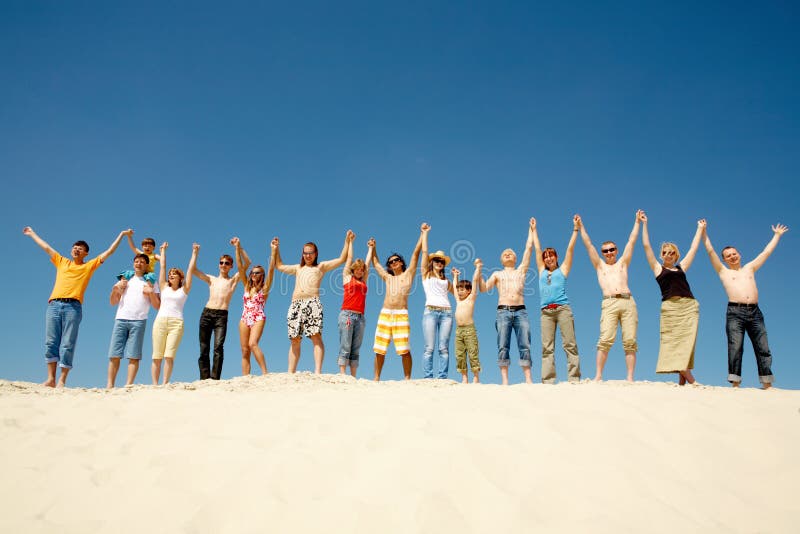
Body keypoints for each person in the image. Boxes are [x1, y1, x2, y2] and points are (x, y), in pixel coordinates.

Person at [24, 226, 131, 387]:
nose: (76, 249)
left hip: (73, 307)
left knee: (67, 343)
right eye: (74, 247)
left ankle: (62, 380)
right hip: (54, 305)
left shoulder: (88, 266)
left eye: (80, 248)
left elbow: (109, 252)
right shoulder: (62, 262)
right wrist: (32, 234)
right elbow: (46, 247)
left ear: (86, 253)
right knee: (51, 342)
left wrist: (122, 235)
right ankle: (51, 378)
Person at [703, 221, 789, 388]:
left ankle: (767, 383)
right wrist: (704, 231)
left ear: (739, 254)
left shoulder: (749, 268)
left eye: (734, 253)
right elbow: (710, 251)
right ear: (724, 260)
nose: (732, 256)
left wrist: (777, 235)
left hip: (755, 312)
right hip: (735, 312)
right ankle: (735, 383)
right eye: (728, 255)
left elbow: (766, 252)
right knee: (735, 347)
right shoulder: (723, 271)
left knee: (763, 347)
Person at [273, 231, 354, 374]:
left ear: (316, 253)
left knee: (316, 336)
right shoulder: (298, 268)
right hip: (296, 304)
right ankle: (290, 372)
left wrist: (347, 241)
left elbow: (341, 259)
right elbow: (278, 265)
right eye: (305, 253)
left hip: (313, 303)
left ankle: (317, 371)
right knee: (294, 339)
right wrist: (275, 249)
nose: (308, 255)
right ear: (302, 254)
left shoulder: (320, 267)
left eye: (310, 253)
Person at [576, 211, 642, 382]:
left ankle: (629, 377)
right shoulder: (599, 265)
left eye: (612, 249)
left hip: (627, 301)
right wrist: (580, 226)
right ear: (602, 253)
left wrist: (637, 222)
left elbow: (632, 241)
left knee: (630, 340)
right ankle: (598, 375)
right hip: (609, 303)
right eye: (606, 251)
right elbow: (588, 245)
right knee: (605, 339)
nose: (609, 253)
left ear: (616, 250)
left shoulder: (623, 263)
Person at [640, 213, 704, 385]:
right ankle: (690, 378)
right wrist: (644, 224)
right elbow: (646, 246)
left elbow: (693, 249)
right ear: (661, 254)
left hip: (689, 306)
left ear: (676, 255)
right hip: (670, 308)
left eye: (672, 253)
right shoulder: (657, 268)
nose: (668, 255)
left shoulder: (681, 268)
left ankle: (682, 381)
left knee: (687, 342)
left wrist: (700, 229)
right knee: (674, 342)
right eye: (665, 252)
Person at [481, 218, 536, 385]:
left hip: (521, 310)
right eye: (504, 253)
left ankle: (528, 379)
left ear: (515, 258)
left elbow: (529, 248)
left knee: (525, 344)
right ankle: (505, 380)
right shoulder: (497, 274)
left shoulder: (521, 271)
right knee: (503, 345)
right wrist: (478, 271)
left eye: (510, 252)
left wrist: (531, 229)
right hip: (503, 311)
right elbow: (483, 288)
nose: (507, 253)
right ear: (501, 259)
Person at [370, 225, 425, 381]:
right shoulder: (388, 278)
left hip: (401, 314)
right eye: (390, 262)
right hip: (385, 313)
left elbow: (416, 253)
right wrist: (374, 248)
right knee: (379, 349)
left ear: (401, 262)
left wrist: (422, 234)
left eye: (396, 260)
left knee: (404, 349)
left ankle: (407, 378)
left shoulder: (408, 275)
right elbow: (376, 263)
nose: (393, 263)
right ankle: (376, 378)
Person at [531, 216, 581, 384]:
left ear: (556, 257)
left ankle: (574, 378)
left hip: (562, 309)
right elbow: (537, 249)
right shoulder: (541, 271)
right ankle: (548, 380)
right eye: (546, 256)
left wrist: (575, 230)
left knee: (569, 343)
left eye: (551, 256)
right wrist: (534, 230)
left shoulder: (563, 269)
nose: (548, 258)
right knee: (547, 348)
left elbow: (570, 250)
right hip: (546, 312)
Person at [192, 238, 248, 380]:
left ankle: (215, 378)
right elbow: (193, 270)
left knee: (218, 347)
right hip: (206, 313)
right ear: (218, 265)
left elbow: (247, 263)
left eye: (227, 263)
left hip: (221, 316)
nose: (223, 265)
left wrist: (238, 247)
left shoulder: (233, 280)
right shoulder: (211, 279)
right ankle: (204, 379)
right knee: (204, 348)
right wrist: (195, 253)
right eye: (221, 262)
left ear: (231, 266)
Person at [107, 254, 161, 388]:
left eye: (142, 262)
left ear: (147, 265)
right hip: (121, 319)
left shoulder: (151, 282)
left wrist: (151, 293)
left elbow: (157, 306)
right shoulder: (125, 278)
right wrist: (116, 289)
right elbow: (113, 302)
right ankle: (110, 385)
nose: (139, 264)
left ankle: (128, 385)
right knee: (114, 354)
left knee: (134, 355)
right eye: (136, 261)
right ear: (133, 264)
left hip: (139, 321)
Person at [151, 242, 198, 385]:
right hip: (160, 322)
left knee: (169, 356)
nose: (171, 276)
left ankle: (165, 383)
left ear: (180, 278)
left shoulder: (184, 290)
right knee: (157, 356)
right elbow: (163, 266)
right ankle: (154, 385)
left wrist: (194, 253)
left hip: (176, 323)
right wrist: (163, 251)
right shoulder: (164, 286)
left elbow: (190, 270)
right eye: (170, 274)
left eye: (174, 274)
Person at [236, 240, 276, 375]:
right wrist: (237, 248)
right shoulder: (247, 286)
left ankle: (265, 373)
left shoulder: (264, 289)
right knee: (244, 350)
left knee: (253, 344)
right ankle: (245, 377)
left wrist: (273, 250)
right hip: (244, 318)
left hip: (258, 317)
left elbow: (271, 270)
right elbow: (240, 267)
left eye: (257, 272)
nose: (254, 274)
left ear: (262, 275)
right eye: (252, 272)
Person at [420, 225, 454, 379]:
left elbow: (459, 295)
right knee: (429, 348)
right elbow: (425, 252)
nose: (440, 263)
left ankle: (442, 377)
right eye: (437, 260)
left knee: (444, 348)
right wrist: (425, 234)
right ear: (432, 262)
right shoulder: (426, 274)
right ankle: (428, 377)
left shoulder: (446, 280)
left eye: (442, 261)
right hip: (430, 312)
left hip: (447, 313)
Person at [337, 237, 373, 377]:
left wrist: (370, 248)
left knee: (355, 348)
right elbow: (349, 257)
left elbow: (368, 264)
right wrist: (350, 242)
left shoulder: (364, 281)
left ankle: (353, 375)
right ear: (353, 269)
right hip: (347, 315)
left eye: (362, 269)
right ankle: (342, 373)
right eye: (357, 269)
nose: (360, 271)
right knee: (345, 345)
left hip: (360, 317)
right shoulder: (347, 277)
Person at [452, 259, 483, 383]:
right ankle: (464, 377)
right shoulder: (458, 301)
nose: (459, 291)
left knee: (472, 353)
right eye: (459, 290)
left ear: (469, 291)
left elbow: (475, 281)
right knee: (459, 354)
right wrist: (455, 276)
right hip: (459, 331)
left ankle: (476, 377)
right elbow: (454, 288)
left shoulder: (471, 299)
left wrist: (478, 268)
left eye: (462, 289)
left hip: (469, 330)